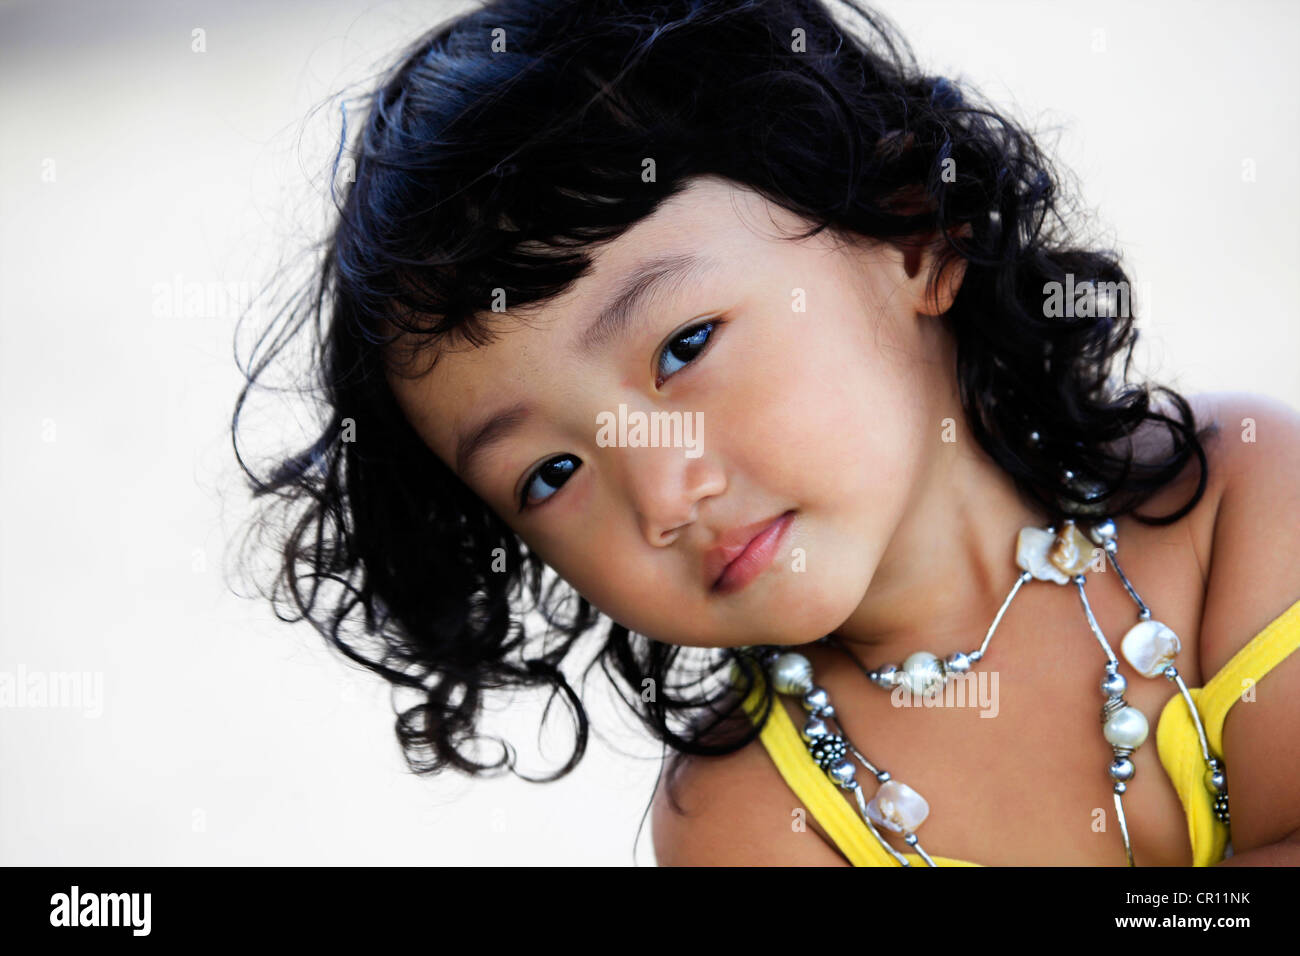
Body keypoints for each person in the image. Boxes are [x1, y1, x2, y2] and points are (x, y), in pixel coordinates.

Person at [231, 0, 1300, 866]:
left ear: (910, 232)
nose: (663, 496)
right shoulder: (745, 824)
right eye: (551, 471)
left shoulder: (1240, 509)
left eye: (684, 344)